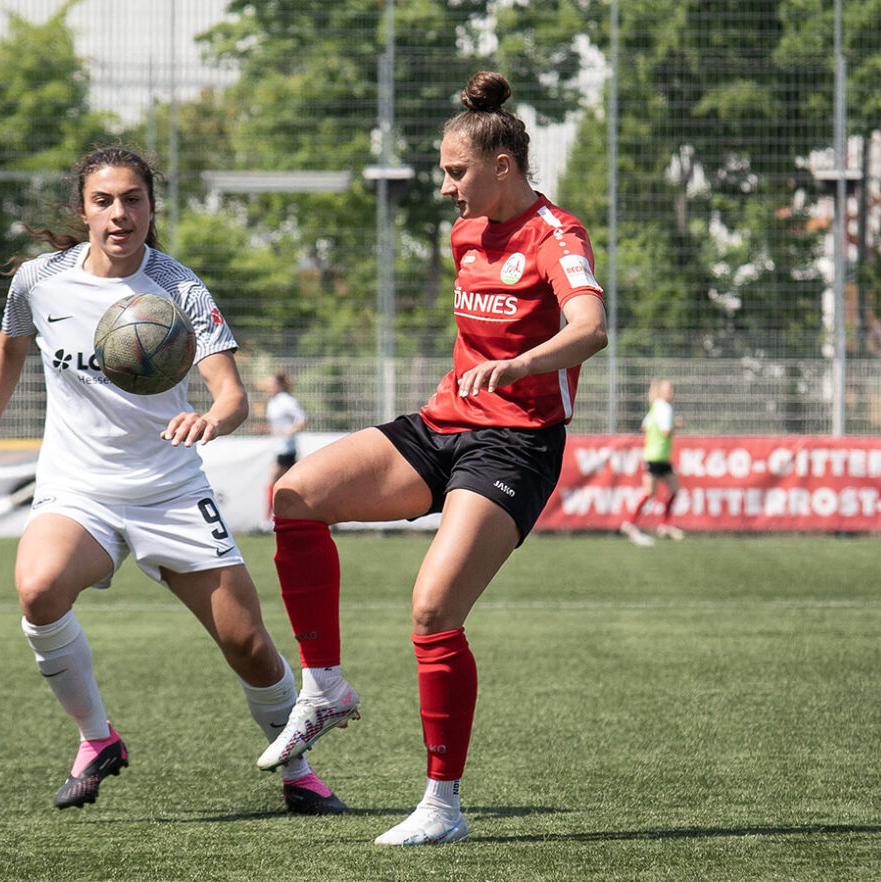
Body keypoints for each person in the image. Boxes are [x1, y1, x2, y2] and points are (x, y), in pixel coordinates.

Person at [255, 72, 608, 845]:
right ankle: (325, 689)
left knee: (432, 610)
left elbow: (590, 328)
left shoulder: (558, 235)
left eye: (456, 172)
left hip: (515, 442)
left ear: (502, 167)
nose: (447, 187)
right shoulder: (466, 233)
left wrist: (518, 369)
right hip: (443, 424)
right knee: (295, 497)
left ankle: (442, 807)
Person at [0, 145, 347, 816]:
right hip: (79, 490)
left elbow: (232, 397)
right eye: (103, 201)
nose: (119, 213)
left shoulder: (178, 286)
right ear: (83, 209)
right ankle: (96, 739)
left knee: (248, 645)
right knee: (39, 588)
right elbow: (9, 348)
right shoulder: (40, 281)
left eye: (133, 199)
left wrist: (211, 422)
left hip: (170, 491)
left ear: (151, 207)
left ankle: (298, 769)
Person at [619, 379, 684, 545]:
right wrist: (676, 425)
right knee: (650, 492)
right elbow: (665, 431)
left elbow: (645, 426)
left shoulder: (656, 406)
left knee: (674, 488)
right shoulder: (665, 408)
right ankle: (631, 523)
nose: (672, 392)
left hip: (657, 456)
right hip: (657, 456)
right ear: (660, 391)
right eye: (668, 389)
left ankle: (665, 525)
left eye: (672, 389)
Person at [262, 372, 306, 520]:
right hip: (277, 447)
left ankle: (268, 519)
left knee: (275, 481)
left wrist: (287, 432)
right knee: (290, 484)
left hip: (287, 448)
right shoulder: (272, 402)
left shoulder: (287, 401)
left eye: (271, 383)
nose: (268, 387)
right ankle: (288, 516)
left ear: (279, 385)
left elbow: (302, 421)